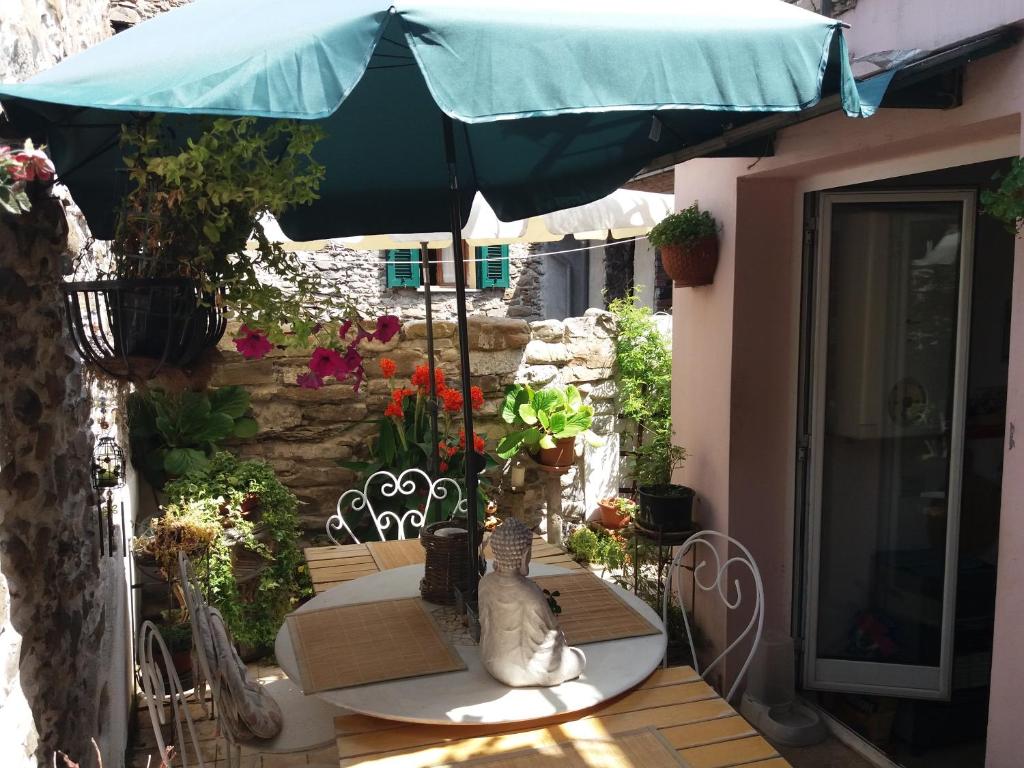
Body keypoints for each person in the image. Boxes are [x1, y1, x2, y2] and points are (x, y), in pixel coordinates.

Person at [477, 518, 585, 687]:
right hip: (525, 672)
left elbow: (485, 627)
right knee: (579, 658)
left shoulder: (484, 583)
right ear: (525, 555)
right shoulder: (529, 593)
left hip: (492, 662)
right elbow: (552, 631)